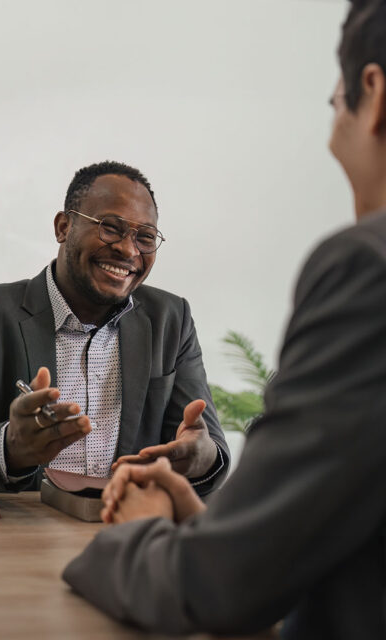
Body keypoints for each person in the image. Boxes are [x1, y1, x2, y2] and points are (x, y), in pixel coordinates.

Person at [63, 2, 386, 639]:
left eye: (333, 103)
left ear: (372, 94)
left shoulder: (365, 269)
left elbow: (218, 587)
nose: (129, 249)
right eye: (111, 229)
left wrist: (138, 531)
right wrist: (219, 527)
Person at [0, 161, 229, 494]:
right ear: (64, 227)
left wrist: (201, 459)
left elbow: (207, 449)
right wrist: (11, 447)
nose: (128, 249)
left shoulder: (171, 319)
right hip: (18, 537)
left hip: (126, 533)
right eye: (110, 227)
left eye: (145, 237)